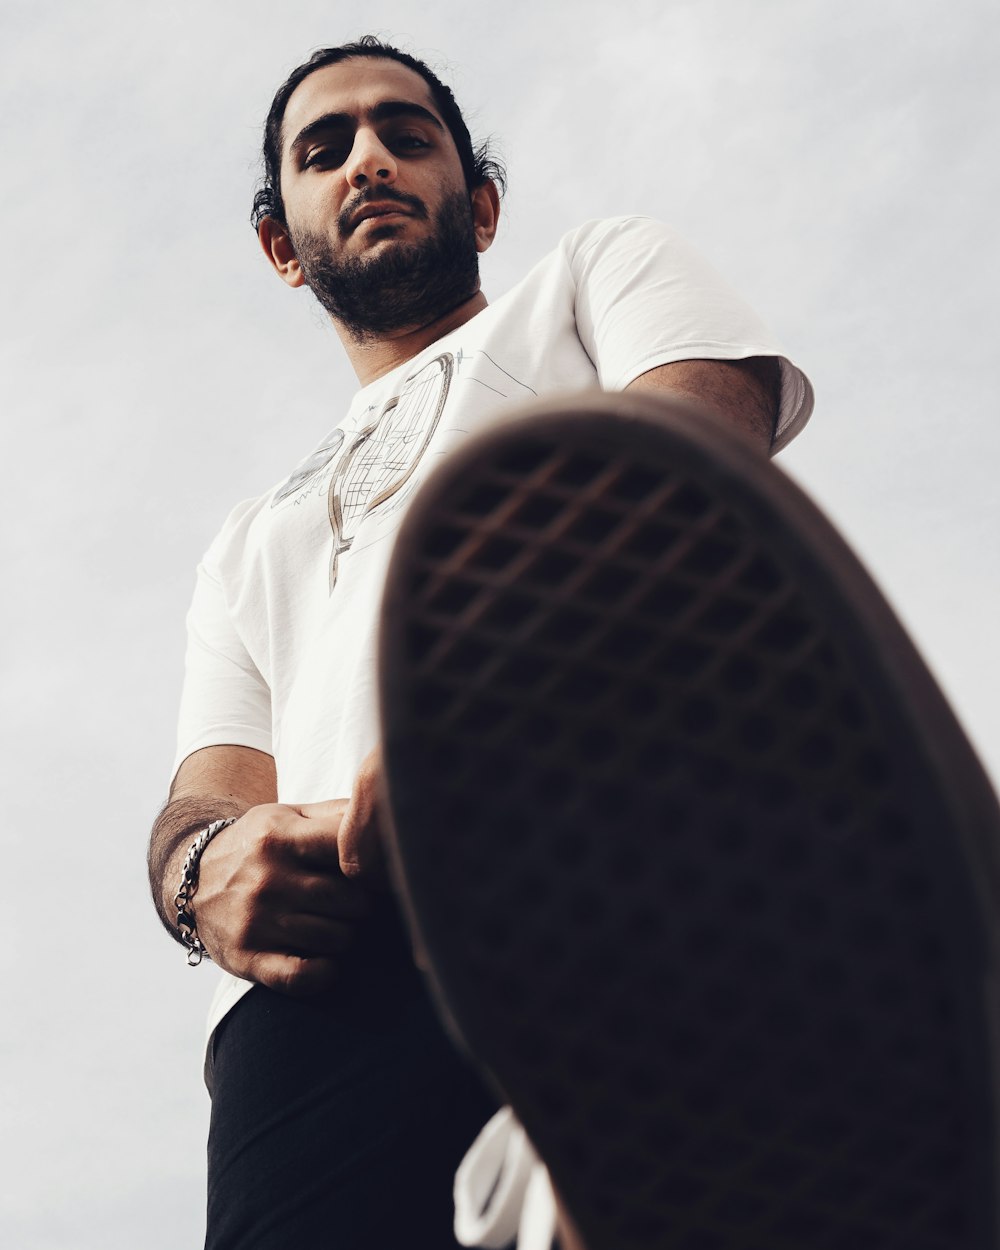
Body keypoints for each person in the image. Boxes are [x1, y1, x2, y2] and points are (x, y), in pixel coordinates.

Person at [147, 31, 965, 1249]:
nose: (369, 157)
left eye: (406, 134)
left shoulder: (590, 274)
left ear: (477, 200)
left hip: (588, 847)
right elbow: (205, 794)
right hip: (315, 996)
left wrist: (473, 702)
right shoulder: (242, 538)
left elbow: (693, 448)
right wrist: (199, 876)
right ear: (282, 244)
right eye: (327, 149)